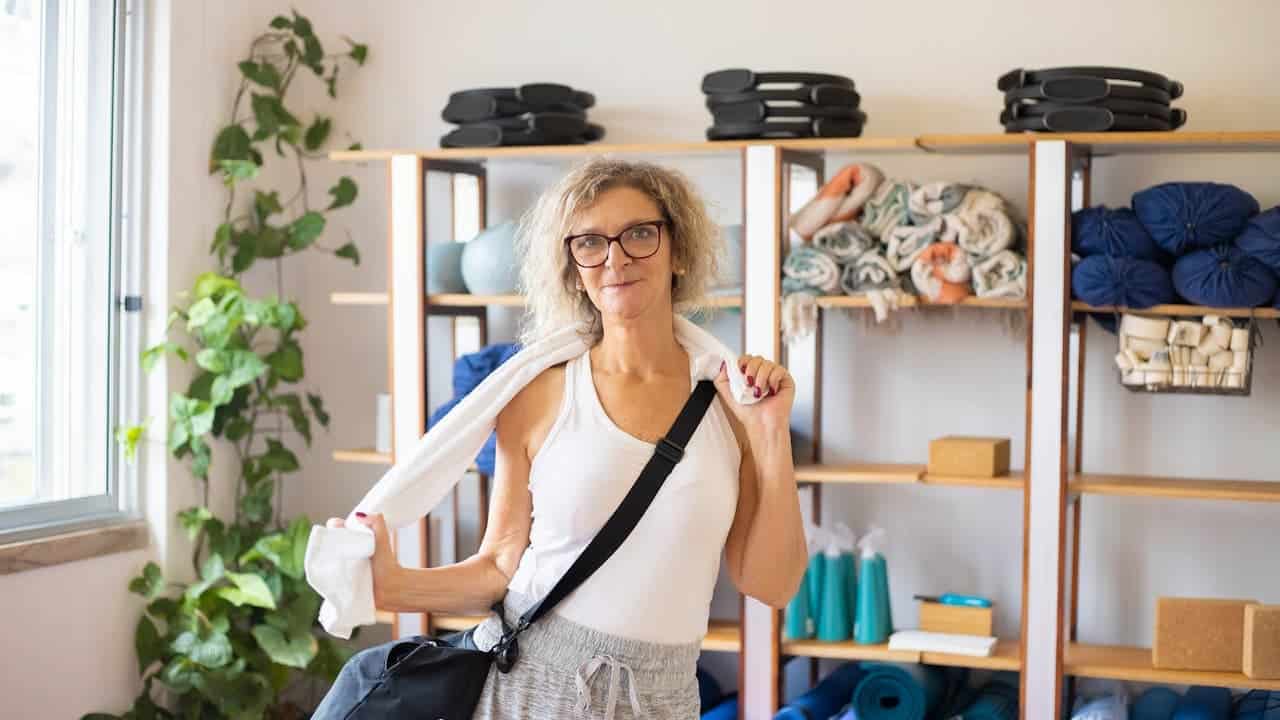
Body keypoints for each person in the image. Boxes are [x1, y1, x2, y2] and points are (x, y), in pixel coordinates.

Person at [326, 158, 807, 719]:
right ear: (572, 267)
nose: (615, 258)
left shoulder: (733, 402)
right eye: (590, 243)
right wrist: (390, 584)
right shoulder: (539, 396)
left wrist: (771, 436)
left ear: (678, 250)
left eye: (639, 234)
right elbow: (500, 566)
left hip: (665, 696)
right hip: (531, 684)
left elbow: (771, 585)